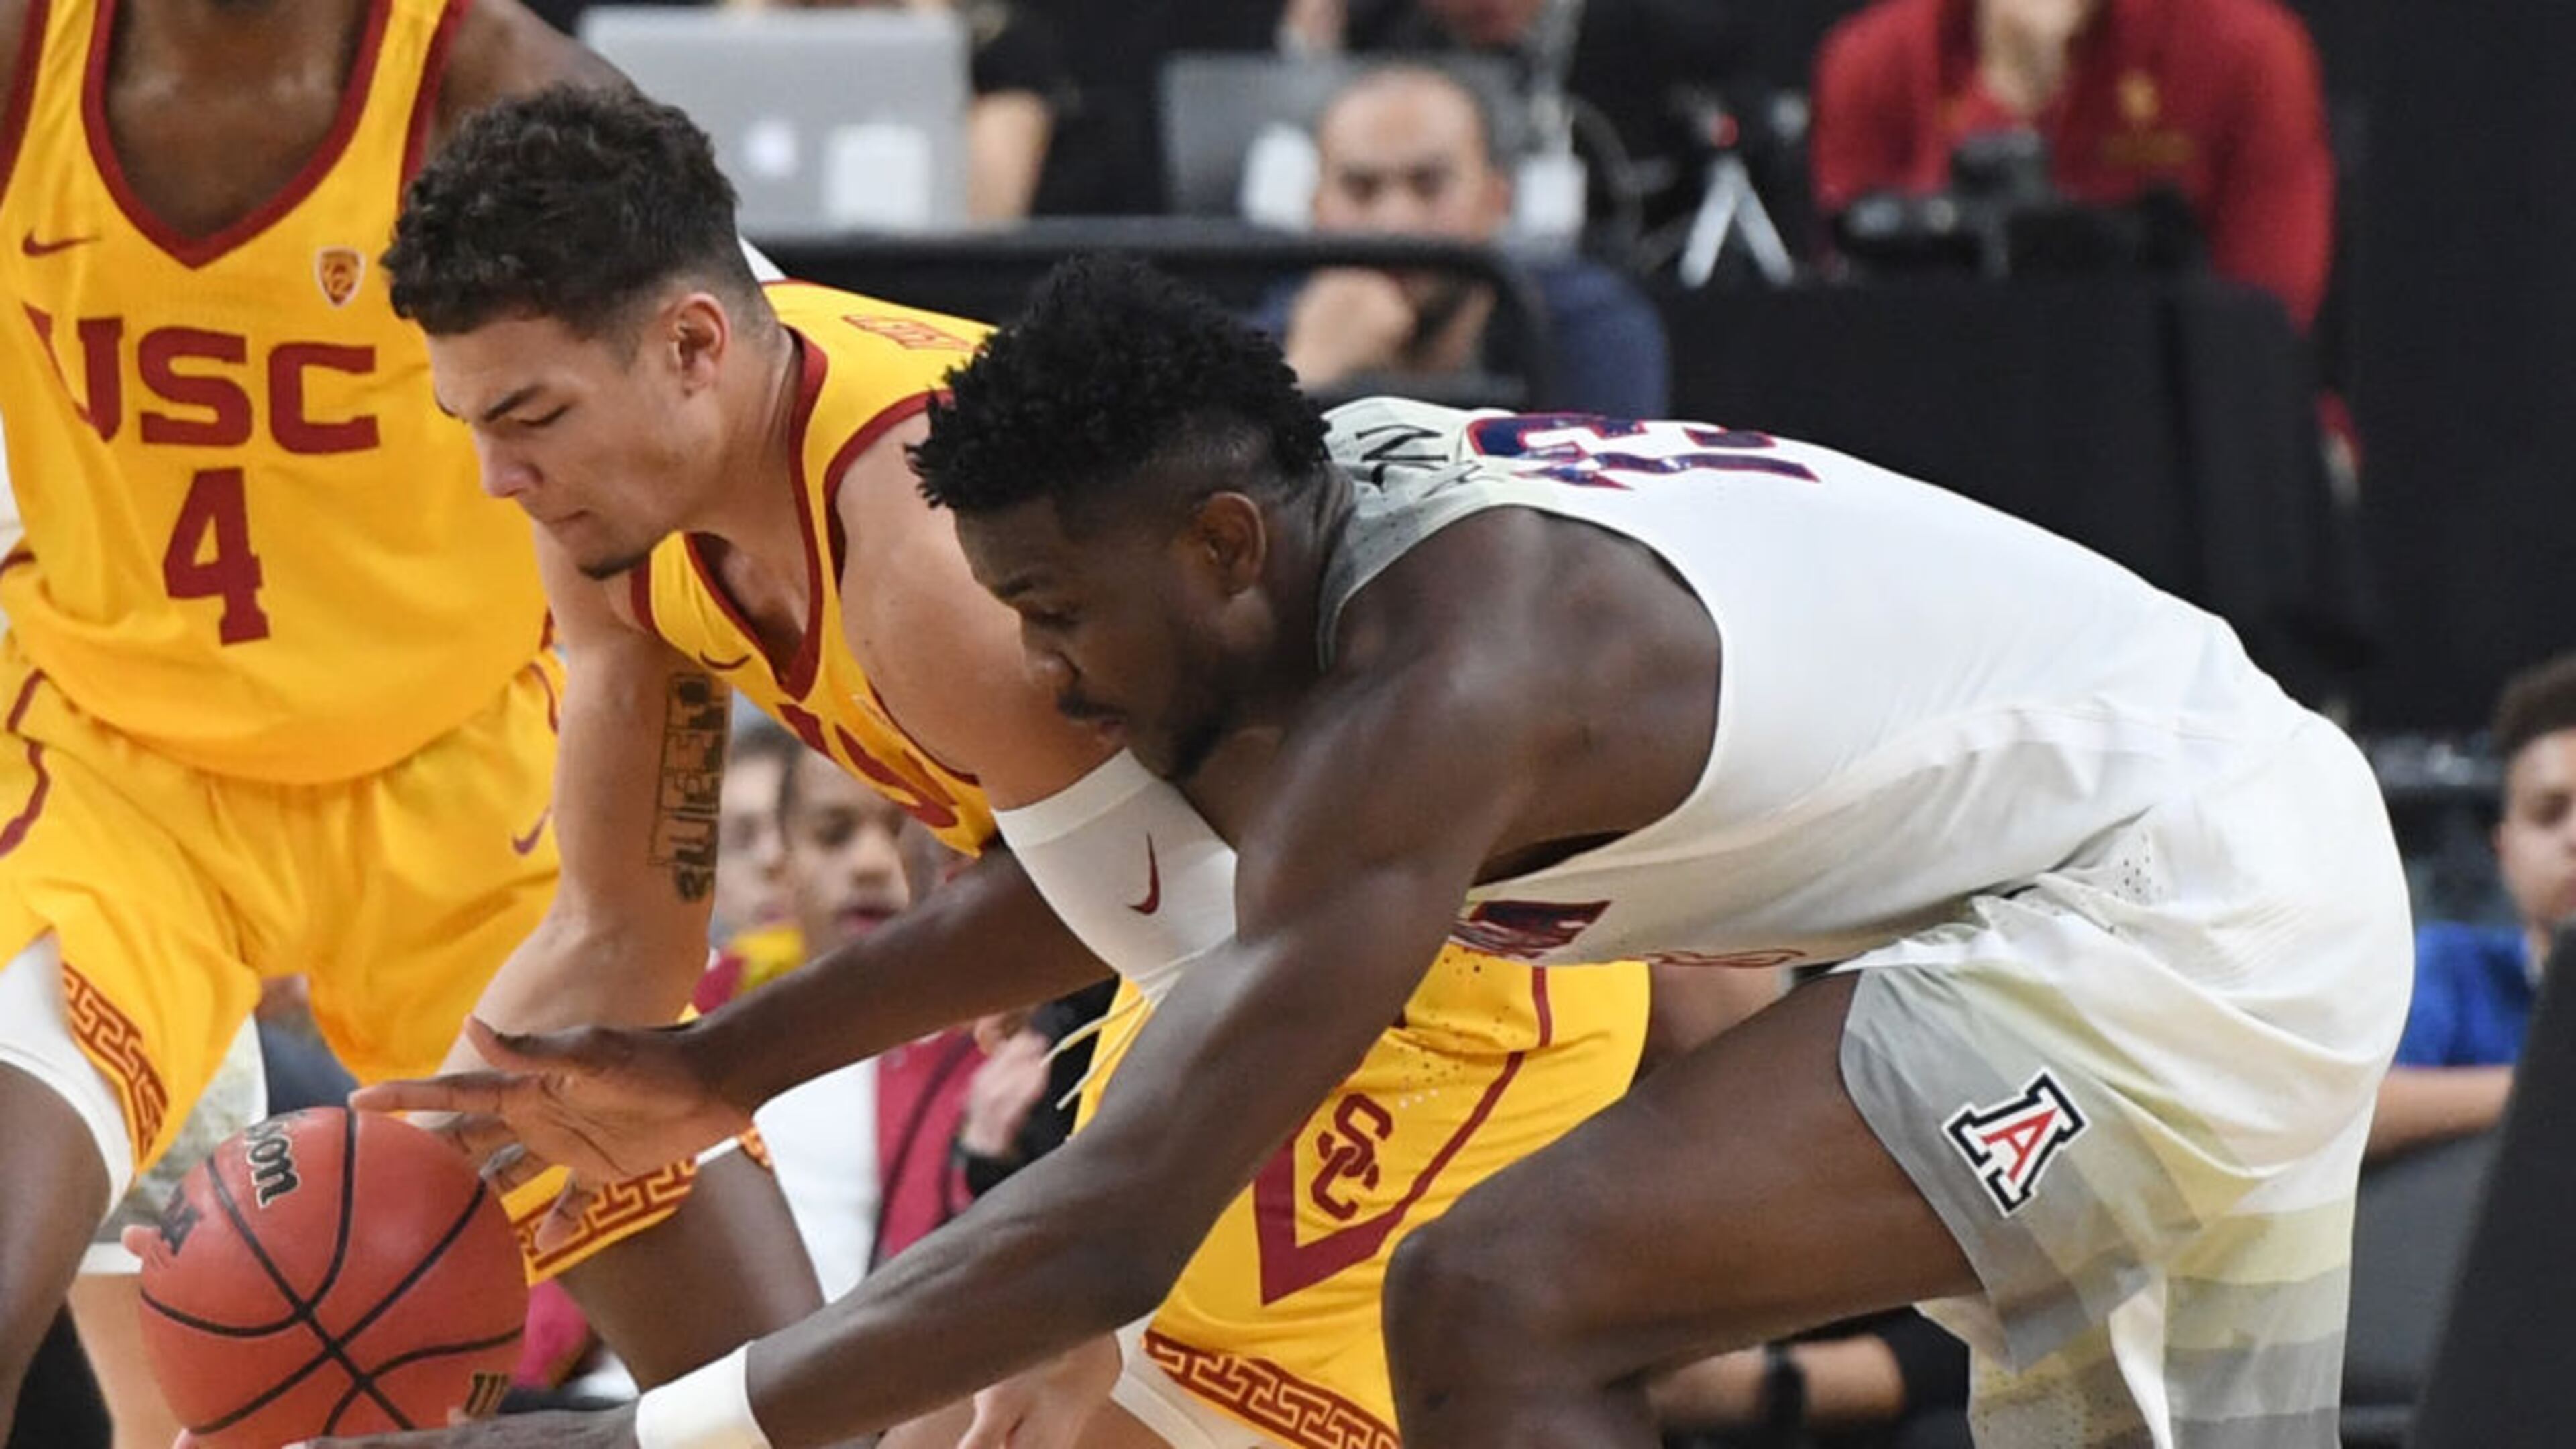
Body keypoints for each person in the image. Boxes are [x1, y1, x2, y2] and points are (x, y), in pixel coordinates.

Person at [311, 254, 2410, 1449]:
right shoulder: (1302, 565)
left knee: (1494, 1297)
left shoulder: (1446, 690)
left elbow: (1111, 1227)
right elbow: (1093, 886)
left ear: (1218, 546)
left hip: (2185, 905)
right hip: (2087, 873)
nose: (1043, 671)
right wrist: (719, 1070)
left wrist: (638, 1439)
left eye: (1056, 614)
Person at [338, 85, 1648, 1449]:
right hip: (1211, 952)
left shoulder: (923, 546)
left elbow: (1207, 929)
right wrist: (387, 1211)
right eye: (472, 420)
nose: (496, 475)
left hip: (1423, 968)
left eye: (530, 416)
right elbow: (616, 940)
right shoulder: (610, 505)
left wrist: (1095, 1280)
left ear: (690, 345)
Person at [0, 3, 823, 1441]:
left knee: (787, 1396)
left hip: (473, 779)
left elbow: (746, 418)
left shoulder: (494, 85)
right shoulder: (25, 64)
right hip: (112, 774)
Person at [1810, 0, 2336, 331]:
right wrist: (2008, 92)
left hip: (2173, 407)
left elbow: (2272, 312)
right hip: (1946, 392)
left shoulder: (2246, 50)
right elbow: (1856, 310)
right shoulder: (1874, 57)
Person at [1257, 62, 1669, 418]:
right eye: (1360, 188)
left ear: (1497, 200)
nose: (1394, 221)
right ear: (1314, 207)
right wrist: (1307, 371)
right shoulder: (1258, 342)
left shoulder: (1590, 326)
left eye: (1429, 184)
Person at [2369, 652, 2576, 1161]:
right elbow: (2363, 1112)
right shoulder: (2455, 966)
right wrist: (2548, 1093)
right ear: (2503, 850)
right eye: (2549, 814)